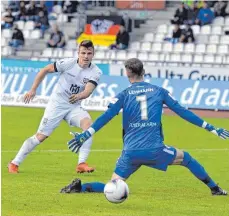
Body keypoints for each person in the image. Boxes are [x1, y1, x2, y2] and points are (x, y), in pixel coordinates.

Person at [61, 58, 228, 195]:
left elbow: (106, 117)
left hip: (131, 152)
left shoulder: (124, 95)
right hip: (154, 149)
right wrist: (212, 128)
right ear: (144, 72)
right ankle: (215, 189)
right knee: (187, 159)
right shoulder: (159, 91)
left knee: (113, 185)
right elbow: (183, 112)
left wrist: (86, 134)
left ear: (127, 74)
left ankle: (81, 188)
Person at [8, 40, 102, 174]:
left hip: (74, 106)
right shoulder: (68, 63)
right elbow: (45, 69)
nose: (86, 56)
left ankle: (81, 163)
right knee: (41, 136)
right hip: (57, 104)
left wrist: (80, 95)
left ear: (93, 54)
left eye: (89, 53)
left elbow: (88, 91)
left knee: (89, 127)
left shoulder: (96, 72)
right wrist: (33, 89)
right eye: (83, 53)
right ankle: (14, 163)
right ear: (78, 53)